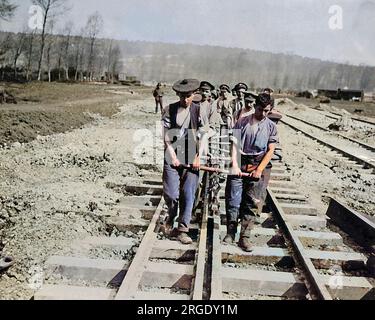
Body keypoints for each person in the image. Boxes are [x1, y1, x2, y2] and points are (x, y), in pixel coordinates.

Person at [224, 93, 279, 252]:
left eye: (267, 111)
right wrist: (234, 164)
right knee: (233, 199)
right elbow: (234, 145)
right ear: (255, 106)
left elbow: (270, 151)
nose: (263, 113)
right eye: (260, 109)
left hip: (258, 164)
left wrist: (259, 169)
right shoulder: (242, 122)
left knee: (253, 203)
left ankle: (245, 237)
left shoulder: (271, 127)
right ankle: (230, 232)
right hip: (240, 162)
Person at [161, 79, 201, 245]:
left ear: (193, 95)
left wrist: (199, 156)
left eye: (189, 96)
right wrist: (173, 156)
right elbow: (165, 137)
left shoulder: (198, 111)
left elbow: (204, 136)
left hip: (192, 154)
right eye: (183, 96)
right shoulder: (169, 109)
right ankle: (171, 214)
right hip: (173, 153)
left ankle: (183, 229)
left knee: (188, 192)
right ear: (178, 95)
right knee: (171, 194)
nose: (186, 99)